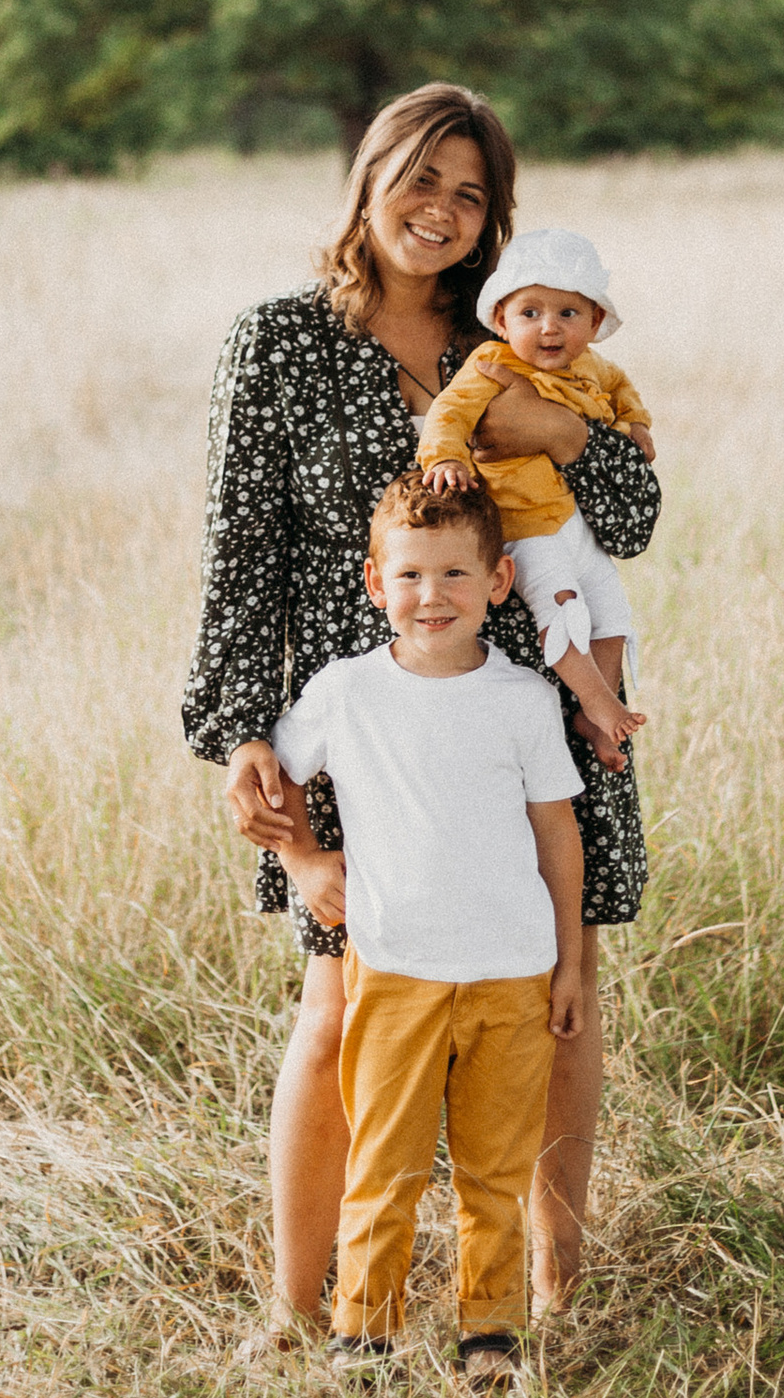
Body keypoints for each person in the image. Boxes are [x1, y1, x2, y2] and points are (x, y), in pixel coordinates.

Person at [183, 83, 660, 1334]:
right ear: (369, 178)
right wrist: (239, 733)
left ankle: (547, 1288)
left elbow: (636, 520)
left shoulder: (520, 338)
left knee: (556, 980)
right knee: (344, 993)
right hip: (363, 725)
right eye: (421, 179)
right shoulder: (278, 342)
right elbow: (241, 558)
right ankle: (308, 1303)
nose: (440, 210)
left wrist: (546, 424)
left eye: (471, 192)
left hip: (530, 711)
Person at [246, 470, 584, 1385]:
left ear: (498, 583)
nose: (430, 597)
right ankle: (366, 1333)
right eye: (409, 577)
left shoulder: (522, 700)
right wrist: (306, 864)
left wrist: (567, 968)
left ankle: (490, 1334)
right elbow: (268, 779)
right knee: (386, 1164)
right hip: (392, 972)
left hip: (512, 973)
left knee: (494, 1170)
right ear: (374, 583)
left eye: (453, 576)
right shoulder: (346, 692)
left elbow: (558, 832)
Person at [416, 228, 652, 770]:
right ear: (501, 321)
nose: (549, 327)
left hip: (574, 522)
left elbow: (622, 390)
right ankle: (594, 701)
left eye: (568, 314)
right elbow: (448, 414)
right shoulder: (492, 367)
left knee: (611, 612)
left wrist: (636, 423)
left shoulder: (595, 368)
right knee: (562, 605)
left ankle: (600, 704)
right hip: (524, 527)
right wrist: (446, 459)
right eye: (530, 313)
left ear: (594, 324)